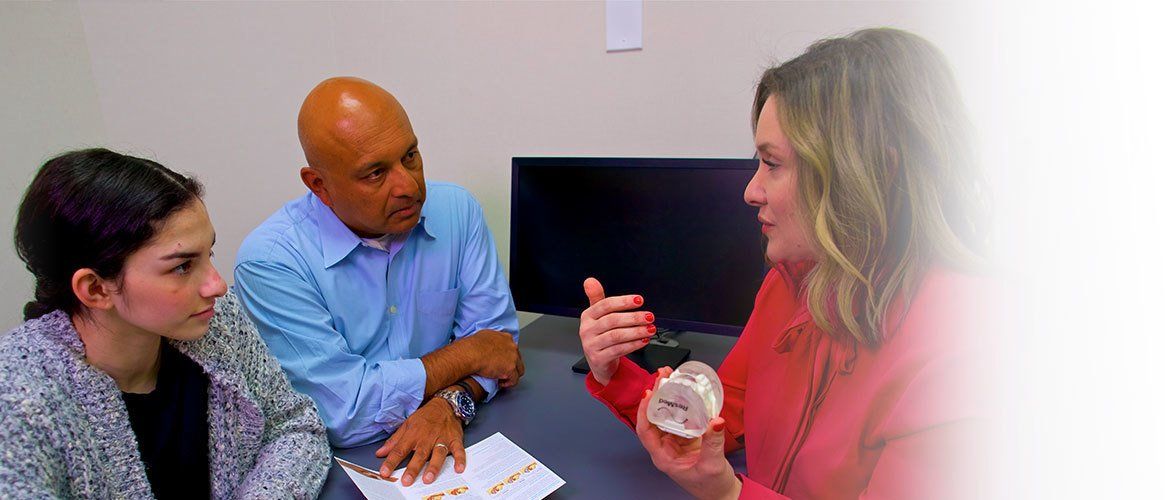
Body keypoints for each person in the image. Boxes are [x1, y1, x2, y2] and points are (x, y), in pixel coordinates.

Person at [577, 28, 987, 499]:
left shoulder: (964, 350)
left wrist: (730, 493)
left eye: (773, 164)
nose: (750, 191)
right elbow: (715, 422)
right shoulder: (791, 284)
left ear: (875, 172)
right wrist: (615, 371)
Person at [235, 77, 523, 486]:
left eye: (410, 156)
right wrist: (467, 355)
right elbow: (343, 413)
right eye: (375, 173)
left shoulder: (457, 210)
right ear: (319, 185)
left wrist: (449, 402)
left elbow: (500, 350)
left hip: (459, 442)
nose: (408, 186)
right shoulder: (272, 262)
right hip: (345, 469)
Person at [0, 149, 331, 498]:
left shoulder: (216, 321)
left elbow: (293, 425)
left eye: (209, 254)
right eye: (183, 267)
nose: (217, 286)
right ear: (95, 288)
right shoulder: (19, 396)